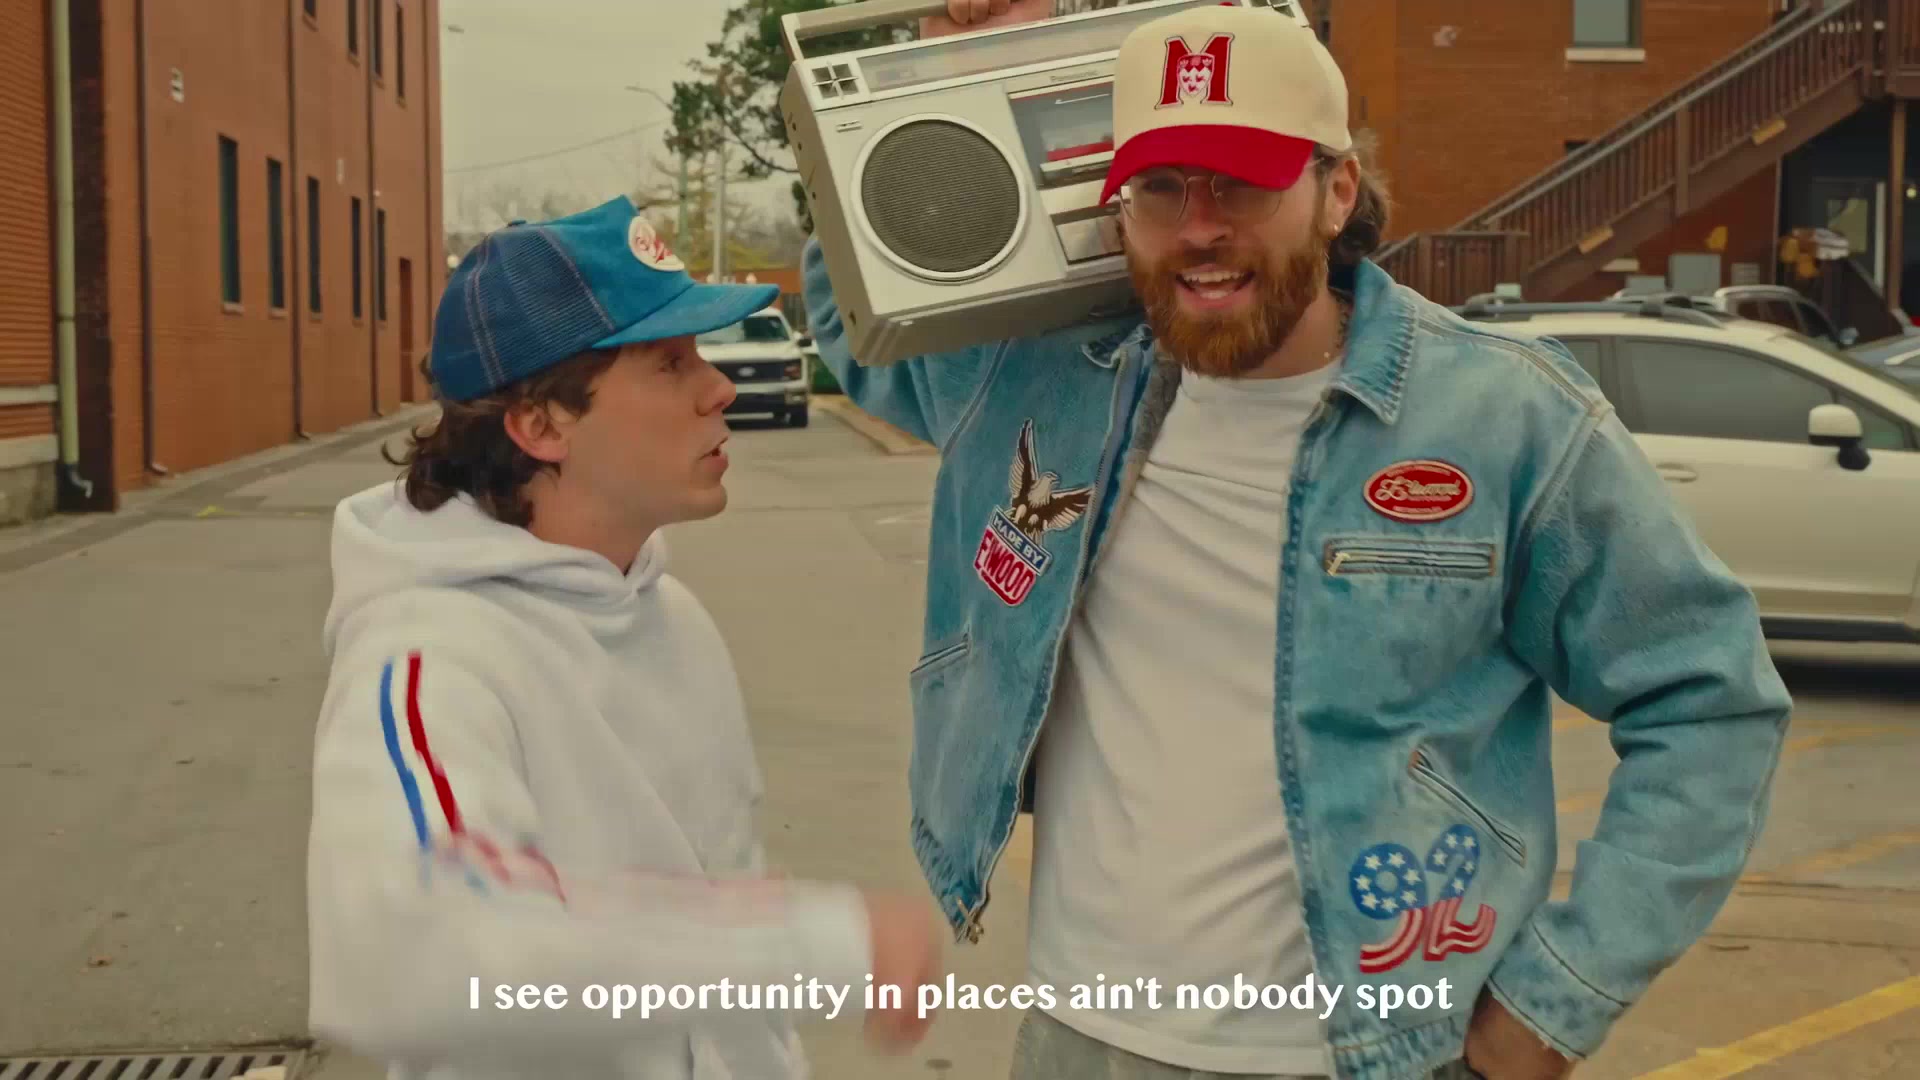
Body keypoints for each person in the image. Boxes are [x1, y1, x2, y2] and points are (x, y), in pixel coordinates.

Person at [803, 3, 1792, 1079]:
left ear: (1337, 191)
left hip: (1372, 1051)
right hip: (1081, 1036)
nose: (1200, 227)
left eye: (1243, 181)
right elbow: (858, 314)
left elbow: (1708, 701)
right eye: (1162, 187)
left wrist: (1556, 1002)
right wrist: (947, 73)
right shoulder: (1039, 384)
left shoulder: (1501, 419)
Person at [307, 195, 942, 1080]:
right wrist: (811, 947)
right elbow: (420, 950)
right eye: (671, 363)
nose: (719, 388)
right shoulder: (426, 660)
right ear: (541, 425)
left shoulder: (669, 613)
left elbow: (718, 904)